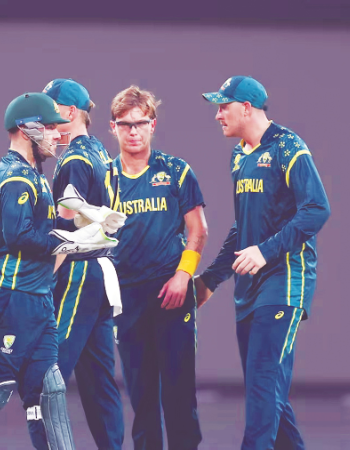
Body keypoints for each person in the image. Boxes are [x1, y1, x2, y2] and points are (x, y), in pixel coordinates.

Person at [0, 92, 117, 450]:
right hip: (7, 297)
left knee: (47, 389)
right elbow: (20, 237)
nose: (57, 134)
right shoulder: (15, 176)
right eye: (50, 128)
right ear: (28, 129)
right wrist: (73, 240)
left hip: (38, 299)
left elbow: (44, 232)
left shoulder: (34, 175)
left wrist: (90, 231)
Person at [196, 76, 330, 450]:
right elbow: (243, 226)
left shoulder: (288, 147)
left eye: (223, 106)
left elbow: (317, 209)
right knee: (268, 391)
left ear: (246, 108)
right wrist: (211, 279)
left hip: (284, 281)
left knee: (262, 387)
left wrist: (266, 251)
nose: (218, 115)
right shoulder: (239, 156)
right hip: (249, 289)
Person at [110, 86, 206, 449]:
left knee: (179, 393)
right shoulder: (104, 177)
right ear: (113, 127)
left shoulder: (176, 171)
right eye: (125, 124)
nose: (133, 131)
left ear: (153, 125)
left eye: (140, 123)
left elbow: (198, 230)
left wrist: (183, 275)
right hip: (126, 297)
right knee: (141, 395)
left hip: (172, 292)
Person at [43, 78, 125, 449]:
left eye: (51, 108)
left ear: (71, 111)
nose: (44, 117)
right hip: (101, 275)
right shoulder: (100, 153)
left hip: (78, 271)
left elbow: (66, 226)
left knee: (48, 373)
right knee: (98, 380)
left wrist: (43, 279)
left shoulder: (74, 159)